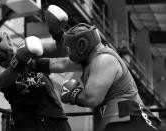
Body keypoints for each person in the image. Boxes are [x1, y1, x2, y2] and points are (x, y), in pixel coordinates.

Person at [26, 23, 162, 131]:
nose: (69, 52)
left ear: (81, 45)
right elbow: (61, 64)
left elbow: (91, 98)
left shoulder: (103, 60)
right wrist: (31, 63)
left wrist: (74, 94)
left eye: (71, 48)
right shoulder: (89, 58)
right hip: (115, 119)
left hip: (128, 119)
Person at [0, 5, 72, 131]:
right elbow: (3, 80)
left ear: (8, 39)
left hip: (55, 116)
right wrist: (21, 58)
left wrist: (57, 32)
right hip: (27, 122)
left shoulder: (29, 48)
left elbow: (62, 50)